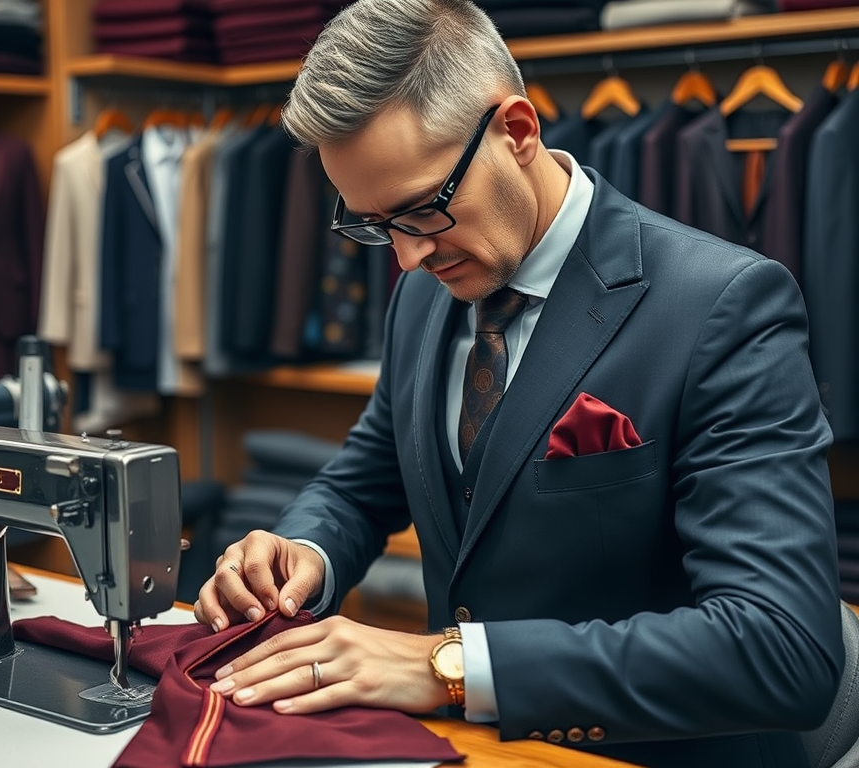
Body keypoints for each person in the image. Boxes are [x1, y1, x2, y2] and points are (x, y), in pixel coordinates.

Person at [193, 1, 845, 766]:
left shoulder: (722, 306)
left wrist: (449, 665)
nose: (404, 259)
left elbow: (782, 649)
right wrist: (302, 549)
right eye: (373, 225)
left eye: (423, 210)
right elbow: (368, 477)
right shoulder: (426, 291)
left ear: (518, 131)